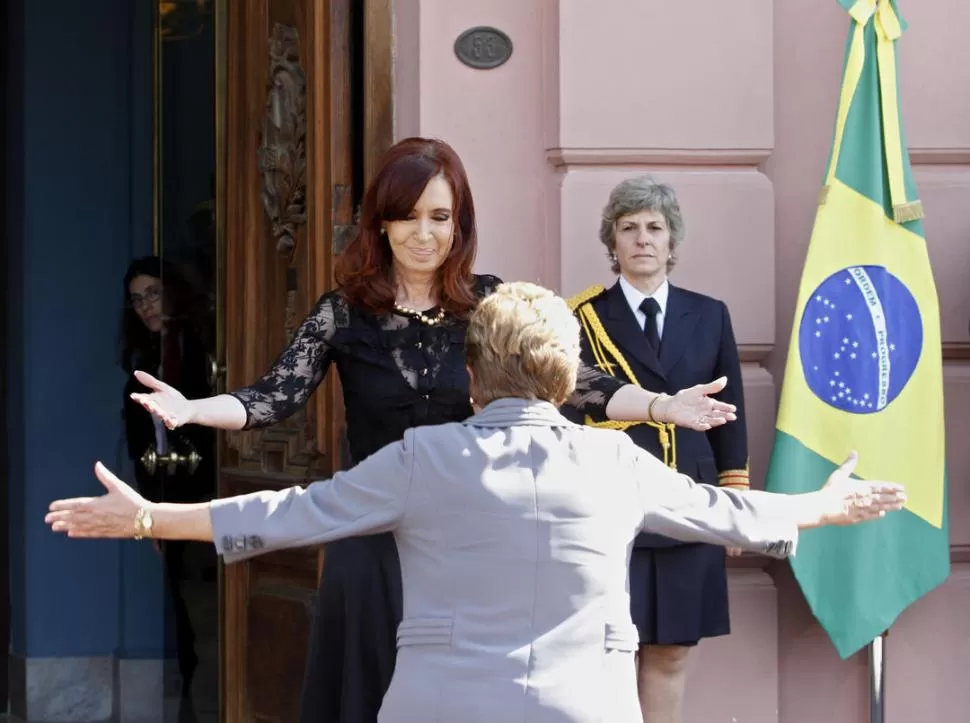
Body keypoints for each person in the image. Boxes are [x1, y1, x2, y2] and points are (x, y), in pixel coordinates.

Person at [47, 281, 906, 723]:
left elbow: (289, 512)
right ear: (568, 379)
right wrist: (822, 505)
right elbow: (734, 517)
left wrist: (150, 516)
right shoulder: (616, 462)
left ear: (470, 373)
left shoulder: (422, 457)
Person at [123, 138, 739, 723]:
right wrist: (196, 408)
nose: (424, 234)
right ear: (382, 224)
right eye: (408, 216)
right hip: (370, 537)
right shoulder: (342, 312)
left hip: (465, 542)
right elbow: (272, 397)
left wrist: (663, 406)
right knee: (367, 692)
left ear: (459, 224)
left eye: (440, 217)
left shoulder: (488, 302)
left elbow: (581, 381)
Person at [566, 176, 752, 722]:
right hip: (610, 502)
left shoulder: (710, 313)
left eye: (655, 227)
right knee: (612, 651)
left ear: (673, 241)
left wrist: (733, 498)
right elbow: (573, 407)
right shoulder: (583, 318)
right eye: (629, 228)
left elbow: (730, 411)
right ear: (612, 243)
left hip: (686, 501)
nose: (642, 238)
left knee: (672, 649)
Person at [120, 256, 216, 701]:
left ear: (173, 290)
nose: (145, 306)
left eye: (153, 293)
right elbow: (144, 449)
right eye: (137, 299)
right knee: (185, 617)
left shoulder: (203, 348)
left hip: (211, 493)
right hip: (168, 499)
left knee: (212, 617)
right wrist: (148, 512)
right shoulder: (143, 362)